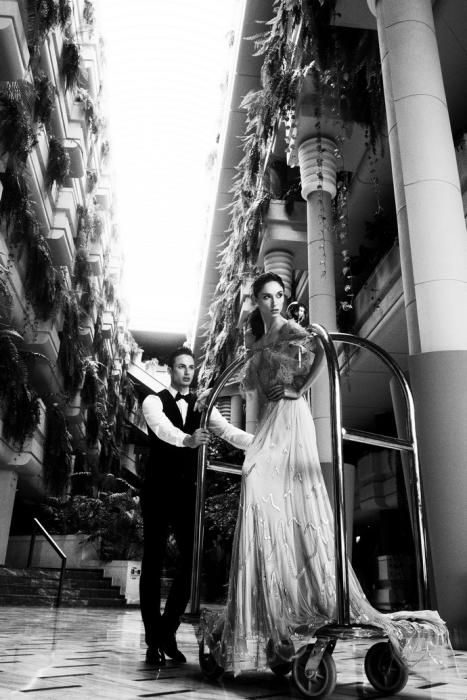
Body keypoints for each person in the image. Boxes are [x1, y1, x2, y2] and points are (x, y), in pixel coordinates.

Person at [201, 271, 453, 677]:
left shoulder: (289, 328)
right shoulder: (258, 342)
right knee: (265, 489)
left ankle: (298, 596)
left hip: (293, 415)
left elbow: (323, 346)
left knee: (271, 485)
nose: (275, 302)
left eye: (279, 294)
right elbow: (254, 389)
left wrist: (301, 390)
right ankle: (275, 601)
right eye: (266, 297)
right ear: (256, 301)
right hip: (272, 422)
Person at [140, 346, 252, 667]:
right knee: (153, 561)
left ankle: (166, 630)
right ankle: (153, 641)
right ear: (170, 370)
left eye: (191, 367)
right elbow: (163, 430)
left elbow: (229, 432)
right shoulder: (153, 401)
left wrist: (262, 441)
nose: (187, 372)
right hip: (158, 491)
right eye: (181, 366)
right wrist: (188, 440)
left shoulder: (203, 406)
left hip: (187, 493)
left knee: (192, 561)